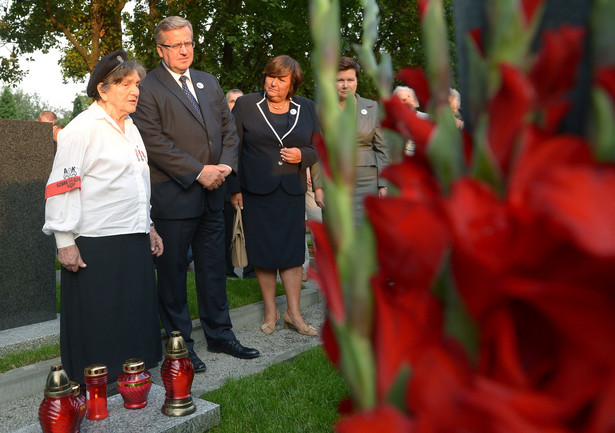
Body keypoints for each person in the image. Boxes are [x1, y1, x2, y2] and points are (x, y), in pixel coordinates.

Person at [132, 16, 259, 373]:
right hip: (174, 196)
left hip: (213, 194)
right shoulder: (148, 88)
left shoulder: (208, 81)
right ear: (160, 50)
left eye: (188, 42)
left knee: (213, 269)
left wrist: (225, 168)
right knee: (172, 275)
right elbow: (155, 142)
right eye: (176, 45)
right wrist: (199, 171)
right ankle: (180, 346)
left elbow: (229, 132)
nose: (185, 50)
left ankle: (220, 334)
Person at [42, 50, 163, 384]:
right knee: (99, 322)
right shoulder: (81, 129)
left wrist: (149, 226)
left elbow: (140, 185)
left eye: (136, 83)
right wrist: (64, 241)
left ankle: (132, 384)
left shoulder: (132, 128)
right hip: (96, 243)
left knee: (132, 319)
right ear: (102, 89)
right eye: (125, 83)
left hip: (133, 237)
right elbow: (61, 187)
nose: (135, 90)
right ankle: (95, 390)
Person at [228, 55, 320, 336]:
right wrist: (234, 188)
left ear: (292, 83)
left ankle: (294, 314)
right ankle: (271, 311)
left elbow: (318, 148)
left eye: (281, 79)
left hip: (291, 191)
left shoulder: (306, 107)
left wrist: (301, 155)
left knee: (292, 253)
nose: (273, 82)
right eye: (270, 76)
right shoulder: (246, 106)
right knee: (264, 253)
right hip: (256, 192)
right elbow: (232, 147)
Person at [314, 57, 389, 226]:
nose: (345, 85)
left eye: (350, 80)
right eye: (339, 80)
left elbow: (382, 149)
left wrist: (383, 184)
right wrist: (318, 188)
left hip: (367, 183)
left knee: (366, 233)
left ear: (357, 81)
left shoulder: (372, 108)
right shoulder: (320, 111)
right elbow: (318, 151)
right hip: (333, 183)